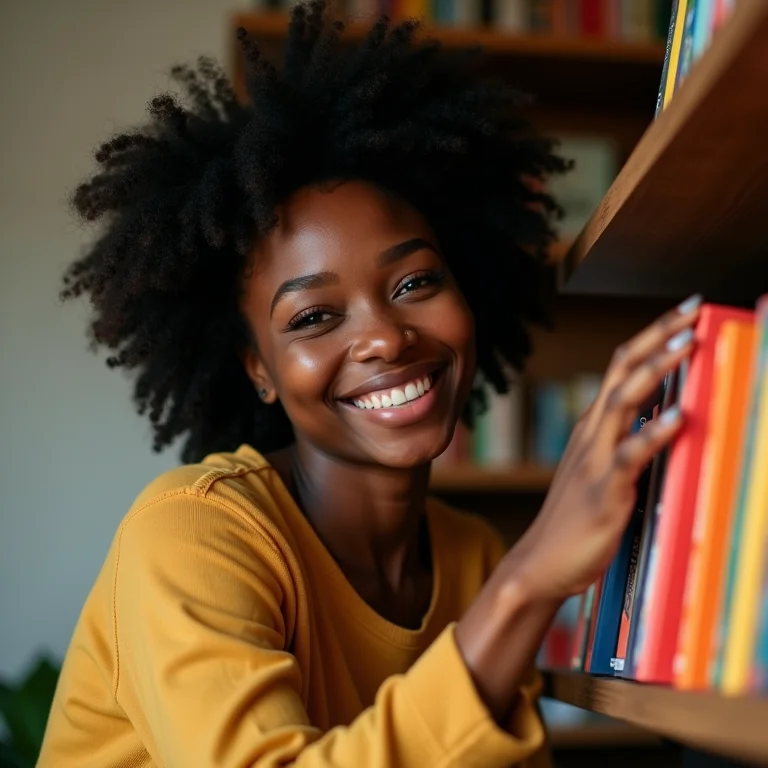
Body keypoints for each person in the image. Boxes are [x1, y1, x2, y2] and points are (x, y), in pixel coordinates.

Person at [37, 2, 700, 766]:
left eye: (415, 281)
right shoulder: (191, 536)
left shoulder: (468, 556)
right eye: (315, 316)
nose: (385, 337)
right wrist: (529, 582)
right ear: (257, 367)